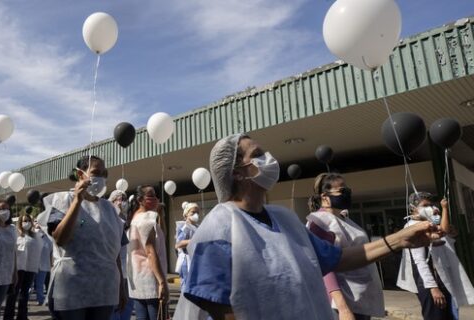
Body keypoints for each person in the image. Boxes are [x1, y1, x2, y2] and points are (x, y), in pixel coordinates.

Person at [184, 133, 443, 320]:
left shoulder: (284, 219)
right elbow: (212, 301)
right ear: (237, 172)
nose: (270, 159)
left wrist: (400, 239)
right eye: (258, 155)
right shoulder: (219, 226)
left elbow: (339, 258)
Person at [41, 155, 125, 320]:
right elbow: (60, 239)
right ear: (81, 174)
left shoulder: (109, 209)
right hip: (71, 288)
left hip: (104, 288)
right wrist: (77, 202)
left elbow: (114, 253)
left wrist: (121, 286)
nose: (100, 177)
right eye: (95, 172)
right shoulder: (62, 200)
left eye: (103, 173)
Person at [307, 173, 385, 320]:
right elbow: (324, 266)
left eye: (347, 189)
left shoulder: (344, 219)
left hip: (360, 300)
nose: (347, 193)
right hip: (344, 304)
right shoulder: (320, 221)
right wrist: (343, 307)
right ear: (324, 196)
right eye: (342, 191)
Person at [397, 192, 474, 320]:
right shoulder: (412, 227)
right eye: (425, 205)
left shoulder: (430, 224)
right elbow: (419, 261)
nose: (430, 208)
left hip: (442, 281)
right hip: (430, 283)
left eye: (431, 205)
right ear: (413, 208)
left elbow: (447, 233)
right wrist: (433, 288)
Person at [126, 185, 168, 320]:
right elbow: (150, 251)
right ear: (140, 200)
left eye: (155, 195)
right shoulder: (147, 218)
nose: (156, 198)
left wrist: (160, 215)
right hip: (151, 279)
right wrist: (162, 282)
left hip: (138, 279)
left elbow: (162, 236)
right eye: (151, 196)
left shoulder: (134, 218)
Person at [4, 213, 43, 320]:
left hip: (30, 268)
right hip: (18, 268)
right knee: (13, 293)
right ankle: (8, 316)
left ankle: (22, 316)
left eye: (28, 221)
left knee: (25, 293)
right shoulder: (16, 234)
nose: (27, 223)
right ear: (20, 223)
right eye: (24, 221)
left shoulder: (35, 236)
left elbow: (39, 250)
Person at [109, 190, 134, 320]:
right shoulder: (111, 219)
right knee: (116, 307)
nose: (122, 202)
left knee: (127, 305)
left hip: (127, 270)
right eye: (118, 199)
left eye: (124, 199)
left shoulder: (126, 220)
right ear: (111, 202)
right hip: (116, 271)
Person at [175, 202, 200, 291]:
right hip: (186, 261)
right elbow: (178, 244)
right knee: (186, 287)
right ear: (186, 214)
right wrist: (193, 241)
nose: (196, 215)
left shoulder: (196, 226)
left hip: (194, 260)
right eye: (193, 212)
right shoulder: (185, 227)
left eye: (197, 212)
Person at [33, 219, 52, 307]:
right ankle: (24, 299)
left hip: (44, 264)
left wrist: (52, 264)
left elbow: (51, 252)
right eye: (36, 222)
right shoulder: (32, 235)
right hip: (31, 264)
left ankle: (41, 299)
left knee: (40, 283)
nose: (38, 224)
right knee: (29, 284)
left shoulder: (49, 239)